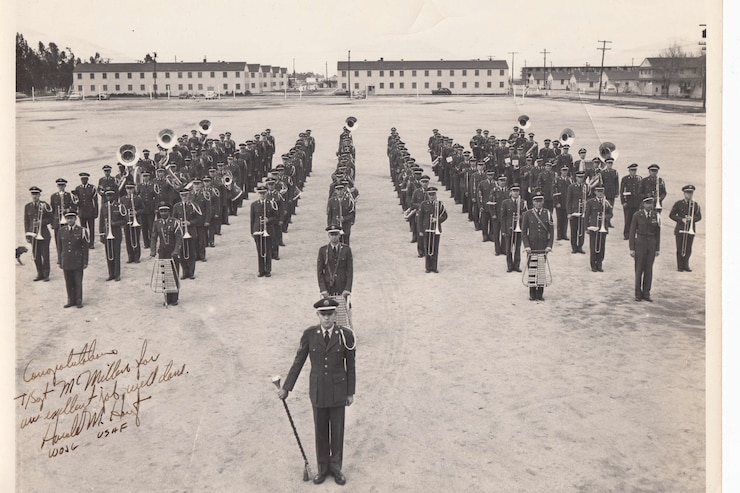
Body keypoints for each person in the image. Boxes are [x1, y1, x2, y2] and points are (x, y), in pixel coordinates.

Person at [278, 298, 356, 486]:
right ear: (318, 315)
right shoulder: (310, 335)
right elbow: (299, 362)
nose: (327, 318)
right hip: (319, 391)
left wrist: (350, 392)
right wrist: (286, 388)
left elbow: (351, 366)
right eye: (323, 314)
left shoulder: (345, 335)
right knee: (320, 431)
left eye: (330, 314)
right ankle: (322, 469)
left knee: (337, 431)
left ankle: (336, 468)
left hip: (338, 391)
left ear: (335, 315)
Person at [150, 204, 183, 306]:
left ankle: (175, 298)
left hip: (173, 252)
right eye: (161, 211)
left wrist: (176, 251)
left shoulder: (175, 222)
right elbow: (154, 237)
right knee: (165, 274)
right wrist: (153, 250)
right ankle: (167, 298)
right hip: (163, 252)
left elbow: (179, 238)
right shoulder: (157, 223)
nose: (163, 213)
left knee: (174, 273)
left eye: (165, 211)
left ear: (169, 212)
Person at [522, 194, 553, 301]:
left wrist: (549, 246)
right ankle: (532, 293)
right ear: (533, 202)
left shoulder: (547, 214)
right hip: (532, 246)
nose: (538, 203)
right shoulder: (528, 214)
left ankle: (540, 293)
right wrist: (526, 246)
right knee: (532, 269)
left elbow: (552, 232)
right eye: (536, 201)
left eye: (540, 201)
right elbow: (524, 232)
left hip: (543, 246)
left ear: (543, 202)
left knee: (541, 269)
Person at [629, 197, 660, 301]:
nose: (649, 205)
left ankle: (646, 293)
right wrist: (632, 248)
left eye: (651, 203)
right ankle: (638, 294)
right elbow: (632, 232)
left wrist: (657, 248)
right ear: (643, 204)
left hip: (651, 244)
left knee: (649, 270)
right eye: (647, 203)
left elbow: (658, 233)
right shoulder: (637, 215)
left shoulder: (656, 216)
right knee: (639, 270)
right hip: (640, 244)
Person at [58, 211, 89, 308]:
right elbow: (59, 247)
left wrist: (85, 261)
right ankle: (70, 299)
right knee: (68, 281)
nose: (69, 220)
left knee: (78, 281)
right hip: (66, 259)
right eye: (68, 218)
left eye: (72, 218)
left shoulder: (82, 231)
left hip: (77, 260)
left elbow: (85, 247)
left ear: (76, 219)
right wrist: (60, 260)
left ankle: (78, 300)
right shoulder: (61, 231)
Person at [669, 184, 702, 272]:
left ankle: (686, 265)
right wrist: (681, 219)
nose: (689, 195)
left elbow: (699, 216)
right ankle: (680, 266)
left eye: (691, 193)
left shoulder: (695, 205)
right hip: (680, 228)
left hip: (690, 229)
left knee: (688, 248)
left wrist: (692, 219)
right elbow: (671, 215)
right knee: (680, 248)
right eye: (687, 193)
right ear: (684, 193)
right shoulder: (678, 203)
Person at [171, 189, 203, 280]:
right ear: (180, 196)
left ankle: (191, 272)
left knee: (192, 253)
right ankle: (185, 272)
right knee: (182, 253)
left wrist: (190, 222)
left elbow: (199, 218)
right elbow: (174, 219)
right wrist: (179, 223)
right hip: (181, 232)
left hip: (191, 231)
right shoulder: (177, 206)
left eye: (186, 195)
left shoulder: (193, 206)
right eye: (182, 195)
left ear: (188, 195)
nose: (184, 197)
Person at [24, 186, 53, 281]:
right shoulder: (27, 206)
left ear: (39, 195)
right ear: (31, 195)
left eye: (36, 194)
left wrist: (41, 222)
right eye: (33, 194)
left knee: (45, 255)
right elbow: (26, 221)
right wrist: (27, 234)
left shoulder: (44, 205)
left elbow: (51, 218)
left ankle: (46, 274)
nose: (34, 196)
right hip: (33, 235)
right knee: (36, 255)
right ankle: (39, 273)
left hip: (44, 234)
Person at [416, 186, 448, 273]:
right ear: (427, 195)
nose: (432, 196)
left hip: (436, 229)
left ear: (435, 194)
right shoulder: (423, 204)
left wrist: (437, 220)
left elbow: (445, 216)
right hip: (426, 229)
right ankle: (428, 267)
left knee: (435, 248)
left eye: (433, 194)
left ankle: (434, 267)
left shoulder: (439, 204)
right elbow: (420, 219)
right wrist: (420, 231)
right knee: (427, 248)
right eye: (430, 194)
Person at [317, 225, 353, 298]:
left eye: (336, 234)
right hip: (328, 288)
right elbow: (320, 272)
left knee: (344, 308)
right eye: (332, 235)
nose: (334, 237)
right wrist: (323, 289)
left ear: (339, 235)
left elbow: (349, 271)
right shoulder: (323, 250)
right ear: (328, 236)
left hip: (342, 287)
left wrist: (347, 289)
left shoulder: (346, 250)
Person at [250, 185, 278, 277]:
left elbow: (276, 218)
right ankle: (261, 270)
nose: (262, 195)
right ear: (258, 194)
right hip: (258, 230)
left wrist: (268, 220)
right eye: (260, 193)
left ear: (266, 193)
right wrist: (252, 232)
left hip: (268, 230)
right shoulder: (254, 205)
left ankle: (268, 270)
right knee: (260, 251)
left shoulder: (271, 203)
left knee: (268, 251)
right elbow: (252, 219)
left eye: (263, 193)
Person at [99, 189, 126, 281]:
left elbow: (124, 220)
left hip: (116, 233)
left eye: (111, 195)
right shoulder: (104, 207)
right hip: (107, 233)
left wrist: (115, 224)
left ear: (114, 196)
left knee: (116, 254)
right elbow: (101, 222)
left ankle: (117, 274)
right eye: (107, 196)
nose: (109, 197)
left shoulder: (119, 206)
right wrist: (101, 234)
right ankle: (111, 274)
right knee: (108, 254)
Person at [584, 186, 613, 272]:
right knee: (593, 247)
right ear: (595, 192)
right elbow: (586, 216)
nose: (600, 193)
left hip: (602, 227)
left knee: (602, 246)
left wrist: (605, 217)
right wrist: (586, 228)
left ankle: (599, 264)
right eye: (598, 191)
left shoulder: (606, 202)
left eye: (601, 191)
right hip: (593, 227)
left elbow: (611, 214)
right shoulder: (590, 202)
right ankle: (593, 265)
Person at [501, 184, 527, 272]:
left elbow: (526, 215)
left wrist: (520, 217)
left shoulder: (523, 202)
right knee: (508, 248)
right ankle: (509, 266)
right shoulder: (505, 202)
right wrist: (503, 230)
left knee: (517, 248)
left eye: (517, 191)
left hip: (519, 229)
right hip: (509, 228)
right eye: (514, 191)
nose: (515, 193)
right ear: (511, 192)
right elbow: (503, 217)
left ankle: (517, 265)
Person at [74, 172, 98, 248]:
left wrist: (96, 212)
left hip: (90, 211)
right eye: (82, 179)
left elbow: (95, 201)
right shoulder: (78, 188)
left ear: (87, 179)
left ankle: (91, 243)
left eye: (85, 179)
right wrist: (77, 210)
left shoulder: (92, 188)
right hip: (82, 212)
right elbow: (76, 200)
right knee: (83, 229)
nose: (83, 180)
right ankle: (85, 242)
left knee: (91, 228)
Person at [566, 171, 588, 254]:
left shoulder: (585, 186)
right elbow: (568, 200)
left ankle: (580, 247)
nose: (580, 179)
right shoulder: (571, 187)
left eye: (582, 177)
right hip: (574, 211)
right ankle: (574, 247)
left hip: (582, 211)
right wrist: (569, 213)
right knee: (574, 230)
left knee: (582, 230)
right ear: (576, 178)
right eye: (579, 177)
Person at [122, 183, 144, 263]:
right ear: (126, 189)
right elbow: (121, 210)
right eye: (128, 189)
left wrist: (136, 212)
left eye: (131, 189)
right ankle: (130, 257)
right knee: (128, 240)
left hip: (136, 221)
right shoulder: (123, 199)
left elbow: (142, 209)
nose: (130, 190)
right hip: (127, 221)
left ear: (134, 189)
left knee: (136, 239)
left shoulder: (138, 199)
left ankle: (137, 256)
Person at [620, 163, 642, 240]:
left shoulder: (639, 178)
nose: (633, 172)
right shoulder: (625, 179)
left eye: (635, 170)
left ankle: (634, 234)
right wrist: (623, 202)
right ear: (629, 171)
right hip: (628, 202)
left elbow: (641, 191)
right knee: (628, 219)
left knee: (636, 219)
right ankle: (626, 234)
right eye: (632, 170)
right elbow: (622, 191)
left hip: (637, 202)